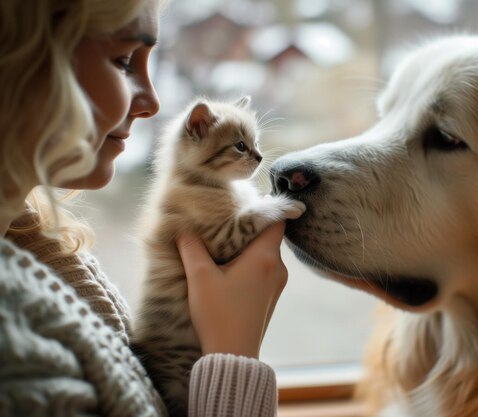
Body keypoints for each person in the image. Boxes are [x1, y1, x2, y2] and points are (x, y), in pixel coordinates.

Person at [0, 0, 287, 416]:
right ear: (17, 59)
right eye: (122, 61)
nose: (152, 102)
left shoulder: (41, 251)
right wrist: (232, 354)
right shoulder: (20, 347)